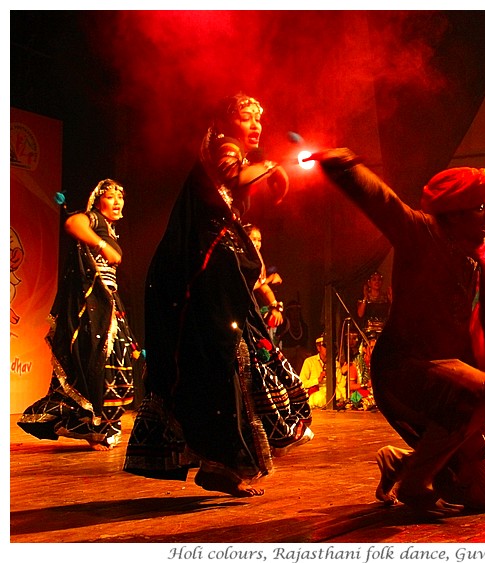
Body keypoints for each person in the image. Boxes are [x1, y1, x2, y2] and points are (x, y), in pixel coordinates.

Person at [310, 148, 485, 516]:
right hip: (404, 370)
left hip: (449, 382)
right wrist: (343, 164)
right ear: (454, 212)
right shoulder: (421, 232)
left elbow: (474, 341)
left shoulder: (476, 263)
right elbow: (383, 202)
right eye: (480, 207)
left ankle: (402, 463)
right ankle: (414, 484)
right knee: (481, 390)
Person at [123, 93, 312, 497]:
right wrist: (271, 167)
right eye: (248, 117)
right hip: (204, 276)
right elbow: (233, 178)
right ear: (229, 121)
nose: (256, 125)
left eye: (260, 119)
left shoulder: (231, 154)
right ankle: (220, 462)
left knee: (227, 363)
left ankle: (220, 463)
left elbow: (237, 192)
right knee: (223, 362)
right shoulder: (224, 145)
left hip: (210, 277)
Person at [18, 179, 139, 451]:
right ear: (98, 201)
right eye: (111, 196)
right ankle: (92, 427)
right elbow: (73, 223)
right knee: (98, 362)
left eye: (121, 196)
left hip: (109, 303)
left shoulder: (110, 228)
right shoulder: (93, 220)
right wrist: (101, 246)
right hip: (94, 305)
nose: (118, 201)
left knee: (116, 362)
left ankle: (102, 425)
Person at [244, 223, 284, 330]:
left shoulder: (258, 260)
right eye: (254, 239)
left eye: (259, 240)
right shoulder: (241, 258)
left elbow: (264, 289)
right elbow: (246, 286)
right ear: (245, 238)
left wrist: (274, 307)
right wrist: (270, 279)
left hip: (250, 307)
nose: (257, 244)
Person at [300, 334, 346, 409]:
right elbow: (301, 384)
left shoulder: (336, 364)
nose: (328, 349)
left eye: (330, 346)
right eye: (325, 346)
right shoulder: (309, 362)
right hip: (316, 396)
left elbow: (341, 385)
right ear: (318, 348)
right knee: (319, 398)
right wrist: (317, 380)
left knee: (339, 395)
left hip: (333, 397)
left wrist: (344, 399)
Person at [356, 271, 392, 337]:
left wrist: (391, 301)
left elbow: (390, 315)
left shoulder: (386, 298)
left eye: (379, 280)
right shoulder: (364, 297)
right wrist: (365, 298)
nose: (377, 282)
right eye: (374, 279)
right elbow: (360, 314)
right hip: (368, 333)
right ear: (369, 283)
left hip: (383, 332)